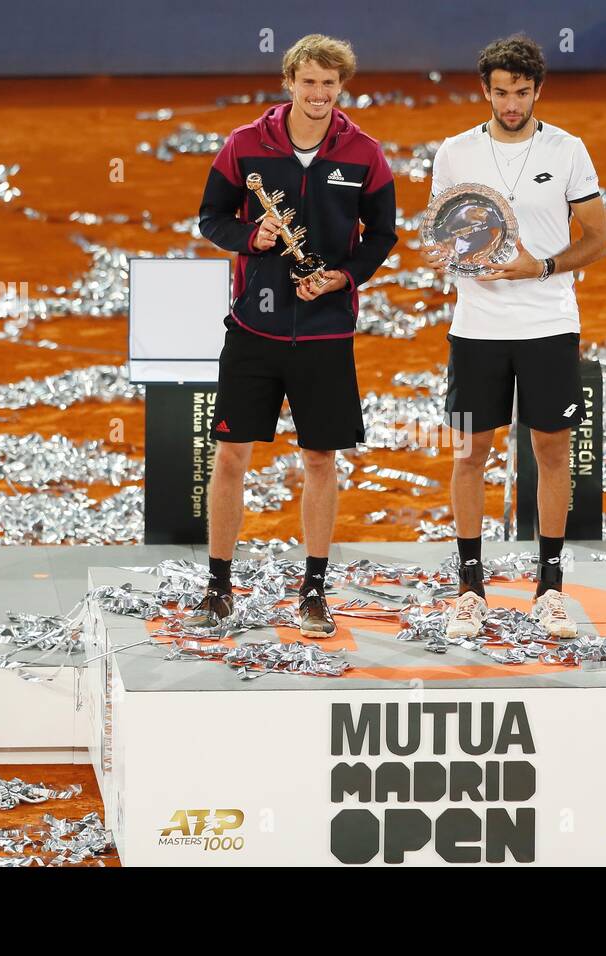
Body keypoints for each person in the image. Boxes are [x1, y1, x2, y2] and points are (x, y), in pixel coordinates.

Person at [194, 34, 397, 636]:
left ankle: (313, 589)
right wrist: (247, 239)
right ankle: (218, 585)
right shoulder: (244, 146)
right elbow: (211, 218)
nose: (318, 94)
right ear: (290, 83)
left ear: (342, 88)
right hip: (253, 329)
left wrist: (343, 277)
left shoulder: (364, 153)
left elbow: (382, 235)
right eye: (308, 82)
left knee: (319, 458)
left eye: (329, 84)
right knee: (231, 456)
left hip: (325, 334)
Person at [427, 34, 606, 640]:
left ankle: (551, 589)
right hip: (476, 327)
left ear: (538, 90)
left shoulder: (567, 150)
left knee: (551, 452)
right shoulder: (455, 153)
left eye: (523, 92)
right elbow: (443, 233)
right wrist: (450, 257)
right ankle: (469, 588)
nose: (512, 104)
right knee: (467, 454)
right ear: (485, 91)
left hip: (548, 325)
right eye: (502, 93)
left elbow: (598, 239)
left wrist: (543, 266)